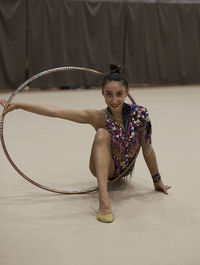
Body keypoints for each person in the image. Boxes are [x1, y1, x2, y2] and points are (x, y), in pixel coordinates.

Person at [0, 63, 171, 223]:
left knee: (106, 134)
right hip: (106, 166)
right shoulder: (98, 117)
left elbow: (147, 148)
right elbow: (57, 112)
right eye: (109, 94)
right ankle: (104, 200)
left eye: (119, 94)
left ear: (127, 92)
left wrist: (157, 180)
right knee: (102, 134)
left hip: (124, 167)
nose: (114, 100)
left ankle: (106, 193)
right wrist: (19, 105)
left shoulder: (140, 114)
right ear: (102, 93)